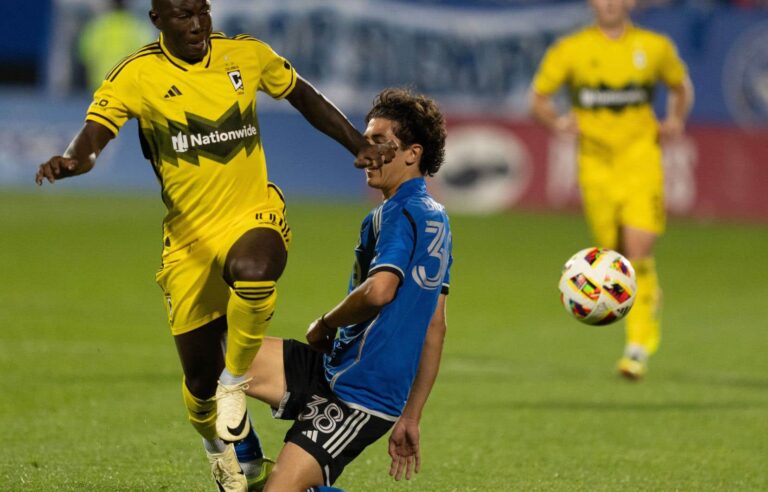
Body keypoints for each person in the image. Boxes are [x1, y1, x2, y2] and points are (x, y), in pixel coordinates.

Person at [36, 0, 396, 490]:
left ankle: (236, 384)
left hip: (253, 213)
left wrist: (356, 141)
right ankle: (222, 447)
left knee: (254, 268)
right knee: (198, 384)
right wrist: (72, 160)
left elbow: (303, 95)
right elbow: (95, 136)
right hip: (188, 241)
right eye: (183, 14)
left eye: (202, 10)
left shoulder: (244, 55)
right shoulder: (136, 75)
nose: (198, 23)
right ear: (157, 19)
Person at [238, 88, 452, 491]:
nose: (364, 150)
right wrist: (411, 415)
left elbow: (379, 290)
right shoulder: (436, 219)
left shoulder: (399, 212)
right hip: (336, 369)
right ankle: (248, 465)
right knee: (221, 358)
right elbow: (436, 326)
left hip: (360, 396)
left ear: (412, 153)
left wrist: (324, 322)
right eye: (364, 138)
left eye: (378, 142)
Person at [529, 0, 694, 379]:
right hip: (596, 169)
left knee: (637, 252)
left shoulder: (654, 47)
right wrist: (557, 122)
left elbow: (680, 86)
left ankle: (637, 347)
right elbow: (537, 99)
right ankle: (643, 302)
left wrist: (675, 120)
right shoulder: (571, 50)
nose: (610, 4)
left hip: (641, 164)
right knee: (616, 254)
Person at [79, 0, 154, 91]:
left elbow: (85, 53)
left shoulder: (97, 26)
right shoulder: (137, 27)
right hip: (128, 81)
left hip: (101, 80)